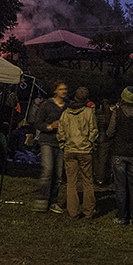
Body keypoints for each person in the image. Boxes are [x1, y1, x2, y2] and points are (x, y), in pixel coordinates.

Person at [107, 85, 133, 225]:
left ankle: (122, 216)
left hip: (119, 151)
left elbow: (110, 132)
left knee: (120, 186)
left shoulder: (117, 113)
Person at [57, 86, 98, 219]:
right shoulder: (88, 112)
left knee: (71, 182)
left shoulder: (66, 113)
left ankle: (73, 211)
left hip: (70, 149)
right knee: (87, 181)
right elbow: (94, 130)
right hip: (84, 150)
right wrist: (90, 143)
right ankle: (88, 211)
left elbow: (61, 131)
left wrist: (63, 144)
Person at [32, 81, 68, 213]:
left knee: (58, 175)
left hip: (61, 142)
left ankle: (53, 201)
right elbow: (38, 123)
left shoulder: (67, 107)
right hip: (47, 140)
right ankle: (42, 200)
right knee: (48, 170)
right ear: (55, 91)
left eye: (65, 89)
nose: (64, 91)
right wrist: (50, 126)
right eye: (61, 89)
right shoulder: (47, 105)